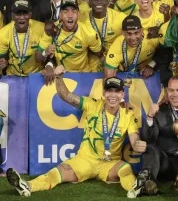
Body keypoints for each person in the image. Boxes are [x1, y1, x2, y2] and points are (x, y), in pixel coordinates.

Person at [6, 72, 152, 198]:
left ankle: (135, 188)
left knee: (125, 169)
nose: (112, 95)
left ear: (122, 94)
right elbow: (67, 96)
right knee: (59, 172)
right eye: (109, 91)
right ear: (104, 93)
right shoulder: (92, 104)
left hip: (110, 163)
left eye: (117, 91)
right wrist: (58, 77)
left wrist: (137, 145)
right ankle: (27, 186)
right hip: (85, 160)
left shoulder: (128, 114)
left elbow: (134, 138)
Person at [36, 0, 103, 82]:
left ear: (78, 14)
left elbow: (99, 55)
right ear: (60, 15)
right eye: (65, 11)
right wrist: (46, 53)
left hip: (84, 76)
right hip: (62, 75)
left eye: (74, 11)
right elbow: (38, 58)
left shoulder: (89, 33)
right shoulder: (51, 30)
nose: (70, 16)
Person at [79, 0, 127, 72]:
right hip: (88, 64)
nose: (99, 1)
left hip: (114, 62)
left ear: (108, 1)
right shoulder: (81, 18)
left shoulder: (120, 18)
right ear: (89, 1)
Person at [0, 0, 44, 76]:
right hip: (13, 75)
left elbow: (49, 55)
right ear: (12, 16)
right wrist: (3, 63)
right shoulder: (3, 33)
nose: (21, 17)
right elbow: (3, 59)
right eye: (18, 14)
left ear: (30, 15)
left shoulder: (42, 29)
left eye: (25, 13)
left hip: (36, 74)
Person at [104, 15, 156, 79]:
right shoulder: (117, 46)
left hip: (147, 73)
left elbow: (165, 52)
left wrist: (151, 65)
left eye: (136, 33)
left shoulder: (152, 38)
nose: (133, 38)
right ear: (122, 33)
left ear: (142, 31)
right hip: (124, 72)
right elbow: (108, 77)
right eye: (129, 34)